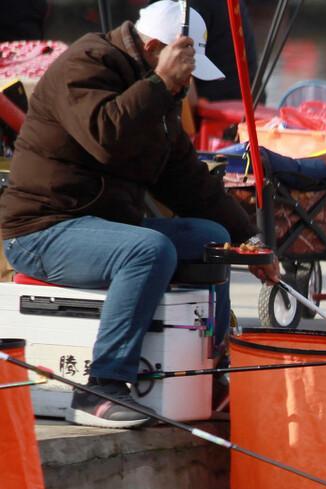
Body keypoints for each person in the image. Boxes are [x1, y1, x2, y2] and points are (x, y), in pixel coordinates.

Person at [0, 0, 279, 428]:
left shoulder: (160, 93)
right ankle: (100, 387)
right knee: (148, 250)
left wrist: (250, 241)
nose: (188, 83)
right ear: (154, 49)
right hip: (41, 229)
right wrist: (161, 84)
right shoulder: (88, 63)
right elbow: (105, 138)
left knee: (210, 237)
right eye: (184, 71)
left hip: (100, 226)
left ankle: (211, 371)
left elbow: (186, 178)